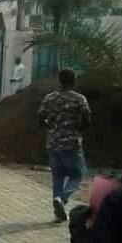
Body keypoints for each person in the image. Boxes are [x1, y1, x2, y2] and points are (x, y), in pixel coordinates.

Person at [38, 68, 91, 223]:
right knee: (77, 175)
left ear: (59, 80)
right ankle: (62, 198)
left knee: (57, 177)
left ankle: (57, 212)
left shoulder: (49, 98)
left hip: (53, 143)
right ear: (73, 81)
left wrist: (50, 127)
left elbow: (40, 119)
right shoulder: (79, 99)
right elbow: (87, 119)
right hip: (71, 143)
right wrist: (78, 129)